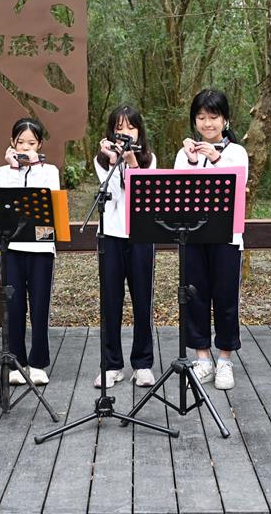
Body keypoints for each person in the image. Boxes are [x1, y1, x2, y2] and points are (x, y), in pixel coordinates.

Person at [173, 89, 249, 390]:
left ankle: (225, 360)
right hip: (192, 236)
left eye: (214, 117)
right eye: (201, 117)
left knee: (226, 298)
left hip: (227, 237)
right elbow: (177, 192)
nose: (207, 123)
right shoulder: (184, 154)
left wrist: (216, 158)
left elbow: (239, 186)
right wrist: (192, 161)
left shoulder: (236, 152)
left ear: (225, 120)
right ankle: (202, 357)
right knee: (195, 296)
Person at [93, 105, 157, 388]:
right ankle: (111, 365)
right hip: (110, 235)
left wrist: (132, 164)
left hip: (141, 235)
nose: (126, 133)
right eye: (120, 128)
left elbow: (140, 197)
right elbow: (114, 197)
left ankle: (142, 364)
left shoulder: (149, 159)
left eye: (131, 127)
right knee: (110, 302)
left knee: (142, 300)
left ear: (139, 131)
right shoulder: (100, 160)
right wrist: (113, 162)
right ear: (111, 132)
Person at [0, 118, 59, 386]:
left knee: (40, 306)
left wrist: (35, 166)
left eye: (31, 142)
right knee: (14, 306)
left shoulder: (50, 170)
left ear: (40, 144)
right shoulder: (3, 172)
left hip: (41, 246)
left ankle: (39, 363)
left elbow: (48, 196)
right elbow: (6, 200)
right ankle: (16, 361)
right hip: (12, 246)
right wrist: (14, 168)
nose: (25, 147)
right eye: (20, 142)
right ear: (12, 143)